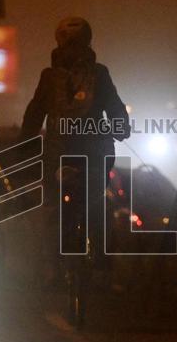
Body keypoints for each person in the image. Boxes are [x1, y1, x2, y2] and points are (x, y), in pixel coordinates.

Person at [19, 17, 130, 276]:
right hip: (68, 156)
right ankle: (60, 266)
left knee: (91, 206)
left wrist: (121, 126)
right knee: (60, 210)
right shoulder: (57, 77)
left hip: (82, 155)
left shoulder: (98, 75)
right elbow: (34, 113)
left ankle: (81, 264)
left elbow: (114, 107)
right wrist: (25, 142)